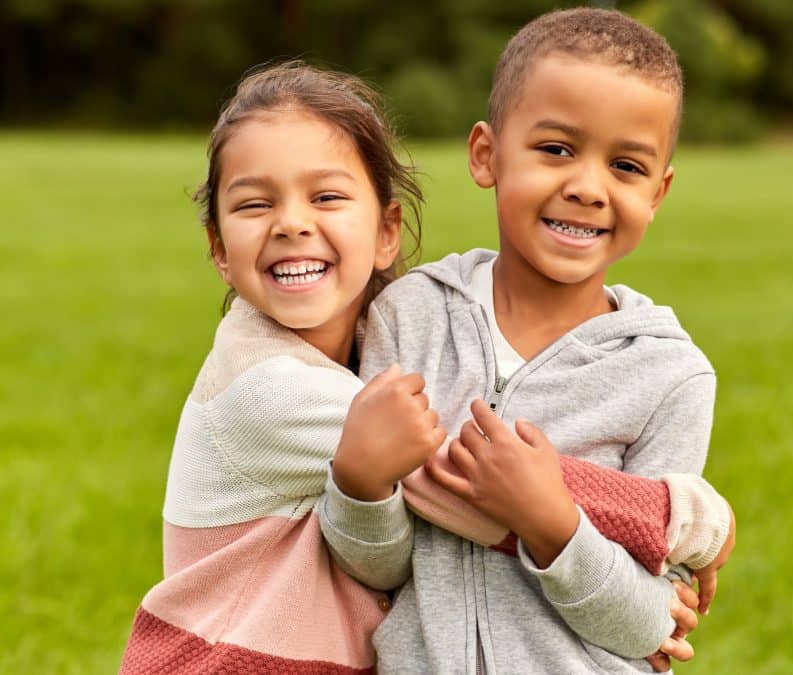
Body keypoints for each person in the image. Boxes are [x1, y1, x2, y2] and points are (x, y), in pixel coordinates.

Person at [119, 60, 731, 674]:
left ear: (387, 231)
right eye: (255, 204)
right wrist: (689, 521)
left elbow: (492, 492)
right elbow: (476, 475)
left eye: (327, 196)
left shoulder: (390, 331)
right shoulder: (269, 389)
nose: (293, 223)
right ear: (220, 250)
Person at [323, 7, 734, 674]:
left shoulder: (669, 374)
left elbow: (652, 625)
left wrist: (552, 523)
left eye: (626, 166)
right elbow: (376, 567)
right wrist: (361, 485)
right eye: (556, 149)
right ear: (486, 154)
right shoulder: (408, 316)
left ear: (658, 193)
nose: (586, 187)